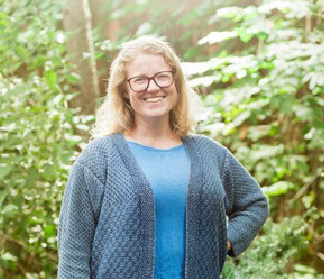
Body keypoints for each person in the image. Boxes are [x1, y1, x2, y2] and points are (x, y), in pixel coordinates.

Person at [57, 36, 269, 279]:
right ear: (124, 91)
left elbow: (255, 204)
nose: (153, 87)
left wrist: (224, 242)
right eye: (139, 80)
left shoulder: (210, 155)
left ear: (175, 82)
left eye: (162, 76)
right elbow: (73, 251)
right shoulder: (98, 159)